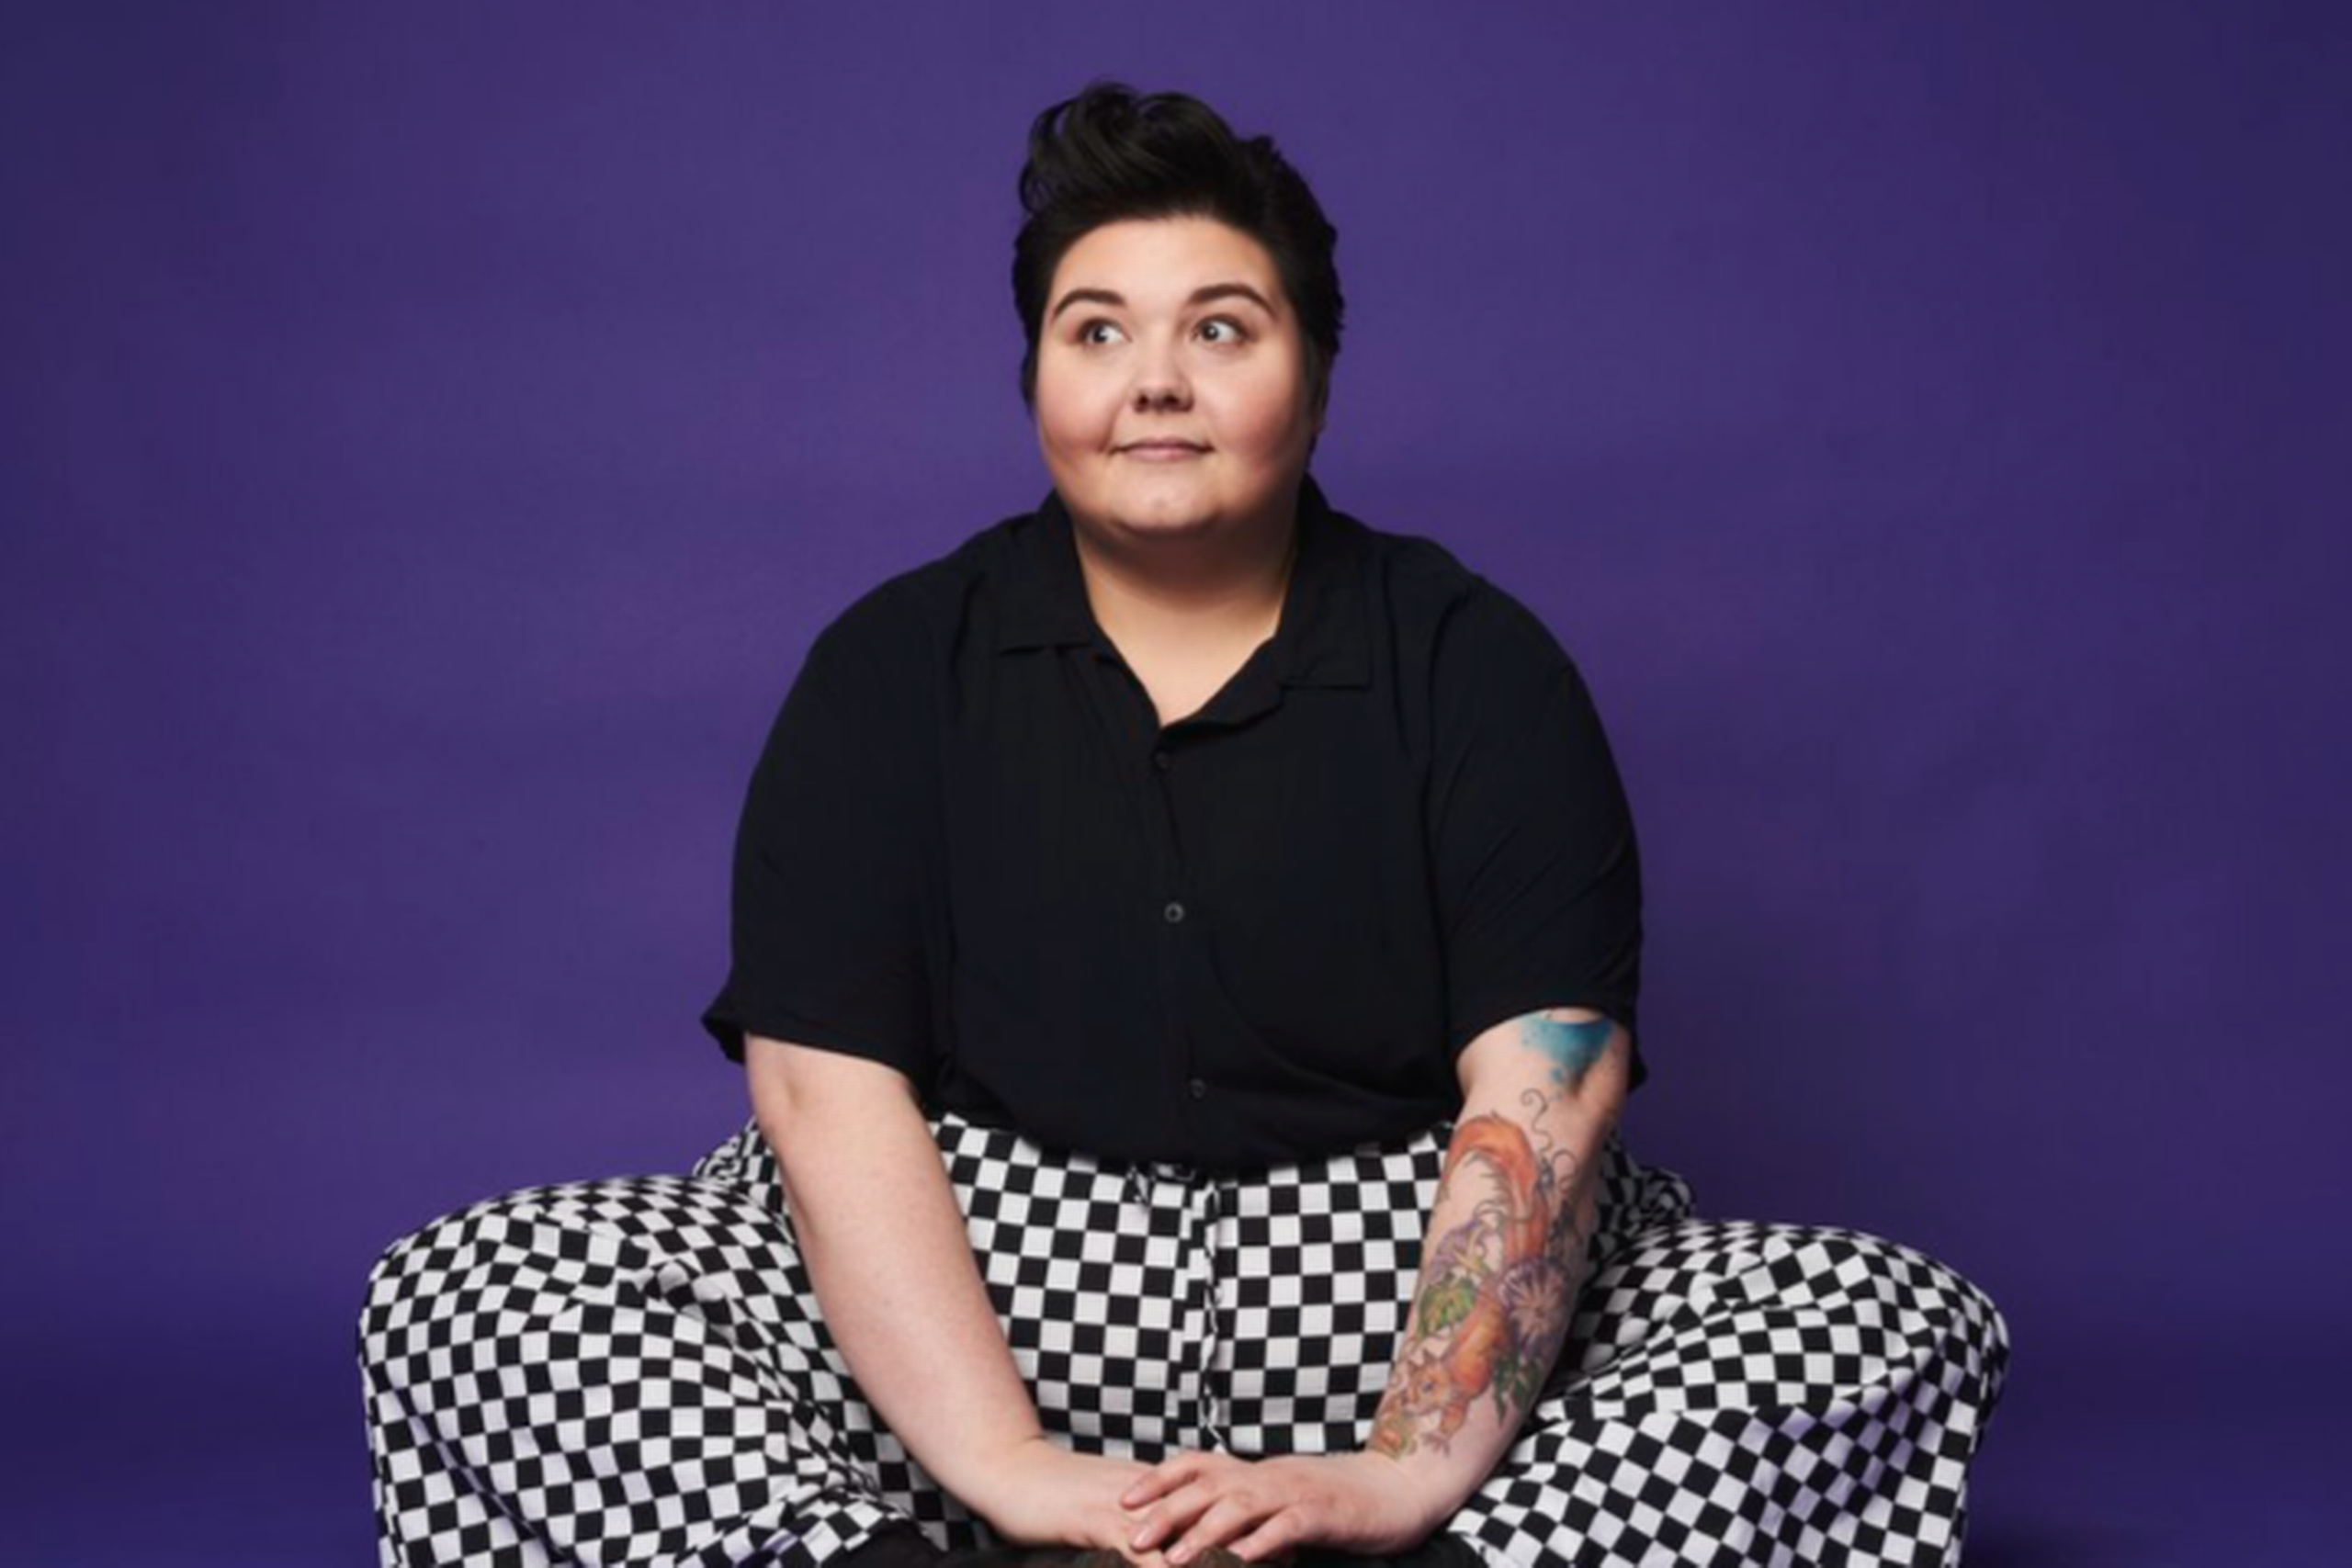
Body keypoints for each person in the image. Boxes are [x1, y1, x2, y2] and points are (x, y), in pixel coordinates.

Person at [357, 83, 2009, 1568]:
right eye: (1096, 332)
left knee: (1872, 1315)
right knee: (475, 1290)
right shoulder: (891, 666)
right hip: (963, 1319)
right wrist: (1011, 1466)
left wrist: (1405, 1471)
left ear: (1317, 375)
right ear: (1034, 378)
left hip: (1389, 1309)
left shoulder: (1475, 663)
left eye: (1221, 327)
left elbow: (1547, 1083)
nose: (1154, 379)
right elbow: (822, 1092)